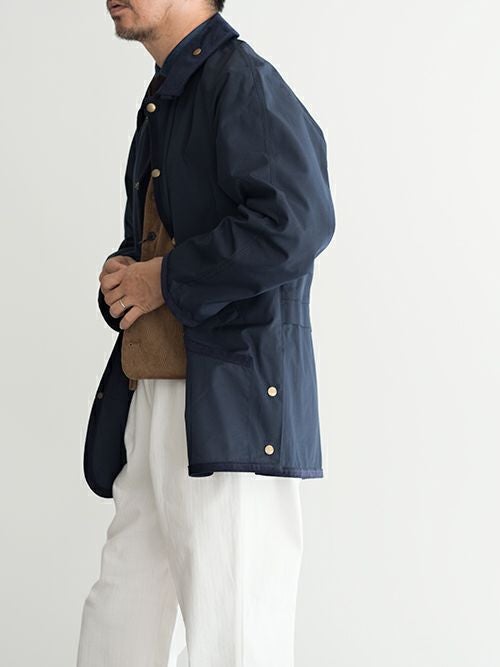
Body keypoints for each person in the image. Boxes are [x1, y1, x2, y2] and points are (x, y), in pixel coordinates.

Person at [77, 1, 336, 665]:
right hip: (155, 394)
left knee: (236, 635)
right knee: (119, 623)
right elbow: (173, 237)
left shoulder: (242, 81)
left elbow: (297, 221)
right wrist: (128, 278)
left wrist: (164, 279)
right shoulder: (171, 94)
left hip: (231, 412)